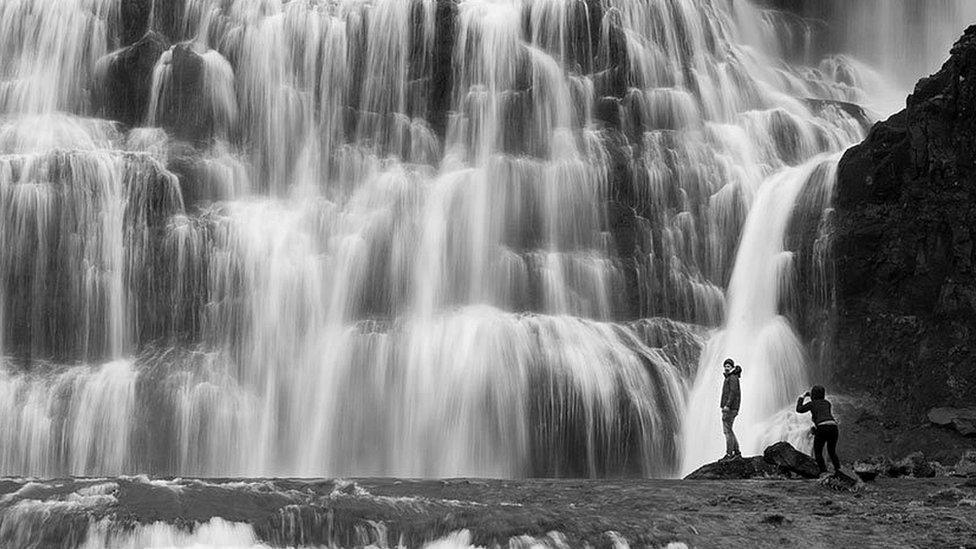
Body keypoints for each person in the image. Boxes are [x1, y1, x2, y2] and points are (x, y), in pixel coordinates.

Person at [796, 385, 841, 475]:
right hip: (833, 427)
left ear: (813, 395)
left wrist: (802, 396)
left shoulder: (812, 404)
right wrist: (816, 431)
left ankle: (824, 473)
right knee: (832, 451)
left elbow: (799, 409)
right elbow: (823, 417)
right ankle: (839, 471)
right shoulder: (827, 403)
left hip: (822, 427)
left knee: (818, 452)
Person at [720, 358, 741, 460]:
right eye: (725, 366)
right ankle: (737, 452)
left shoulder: (732, 377)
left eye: (728, 366)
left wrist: (727, 406)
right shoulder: (730, 377)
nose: (726, 368)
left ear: (732, 367)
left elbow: (733, 393)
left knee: (727, 431)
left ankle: (729, 454)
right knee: (729, 430)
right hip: (731, 408)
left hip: (730, 408)